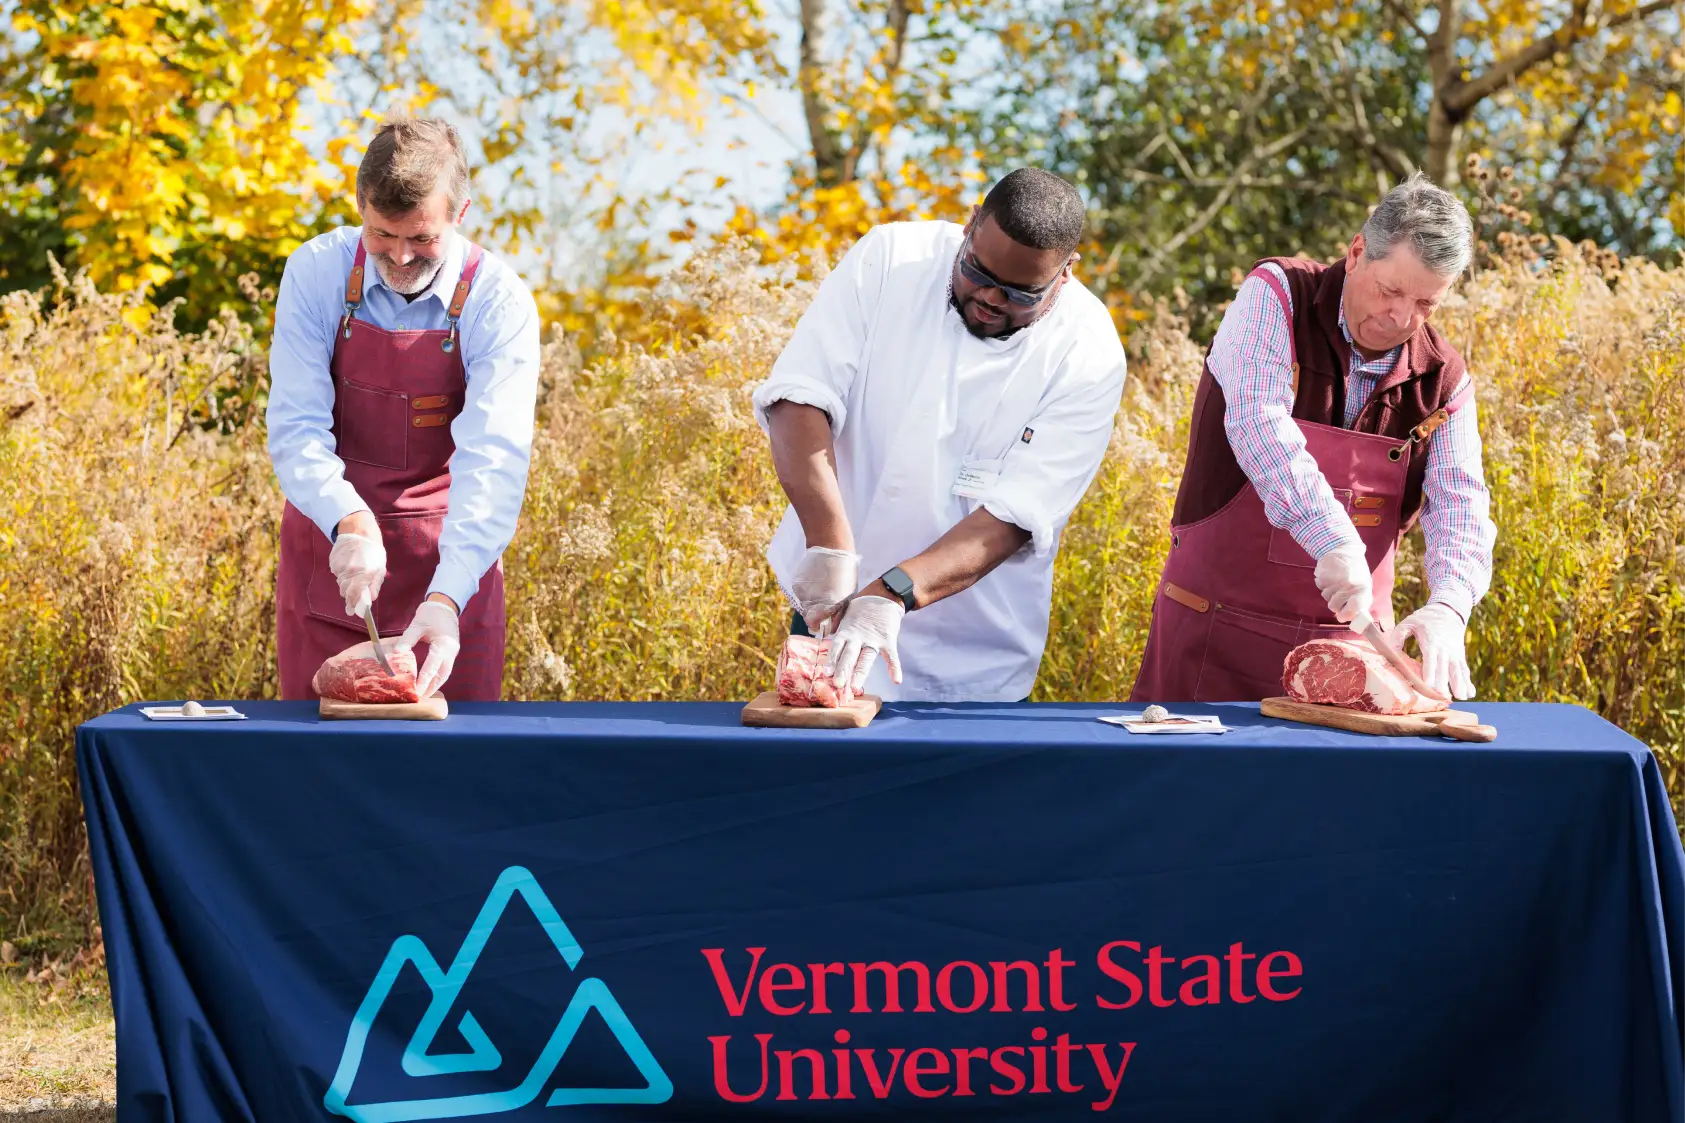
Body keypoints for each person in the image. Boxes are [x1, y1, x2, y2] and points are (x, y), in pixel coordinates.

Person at [752, 168, 1127, 702]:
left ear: (1066, 274)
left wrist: (890, 594)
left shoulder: (1089, 351)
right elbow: (799, 398)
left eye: (1021, 293)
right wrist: (831, 549)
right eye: (978, 271)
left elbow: (1017, 513)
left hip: (977, 651)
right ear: (970, 225)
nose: (992, 298)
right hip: (831, 608)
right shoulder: (891, 259)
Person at [1131, 173, 1496, 705]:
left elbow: (1461, 503)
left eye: (1426, 305)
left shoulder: (1445, 378)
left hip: (1350, 657)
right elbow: (1259, 422)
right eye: (1390, 290)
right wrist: (1334, 539)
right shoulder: (1276, 295)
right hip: (1212, 634)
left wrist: (1451, 604)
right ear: (1355, 253)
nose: (1401, 317)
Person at [266, 117, 540, 701]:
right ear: (360, 204)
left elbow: (493, 462)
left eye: (422, 239)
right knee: (318, 776)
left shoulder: (499, 300)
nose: (401, 257)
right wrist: (349, 517)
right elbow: (296, 429)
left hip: (452, 567)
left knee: (453, 779)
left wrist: (446, 599)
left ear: (459, 214)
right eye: (382, 235)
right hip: (333, 564)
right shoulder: (315, 272)